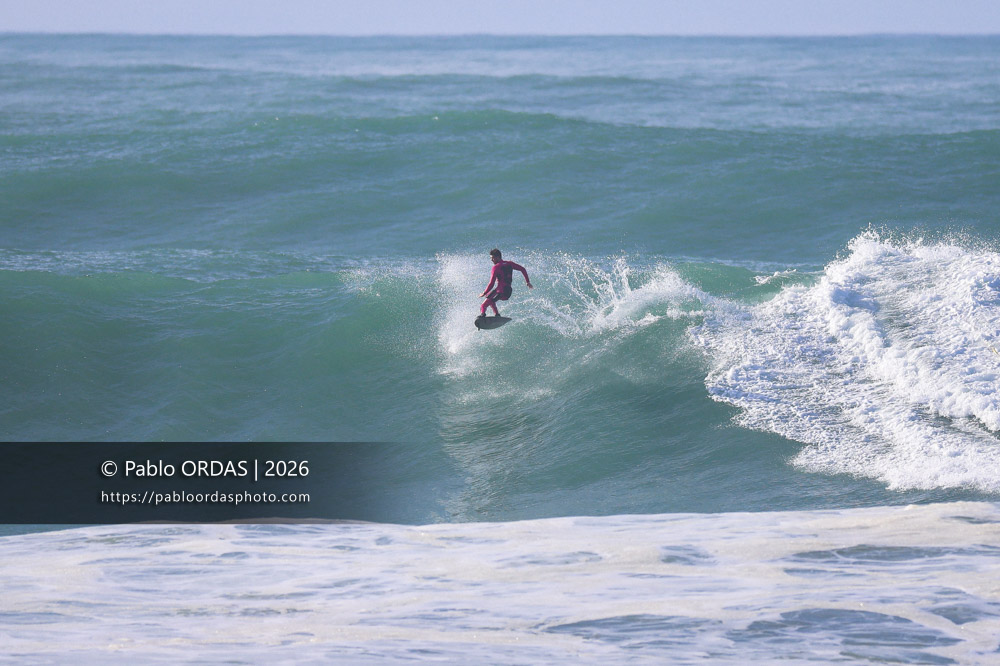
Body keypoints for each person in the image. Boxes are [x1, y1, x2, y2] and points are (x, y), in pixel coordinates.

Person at [479, 248, 532, 317]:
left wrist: (484, 292)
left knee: (483, 305)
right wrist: (527, 282)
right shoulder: (510, 264)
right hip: (508, 292)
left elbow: (491, 283)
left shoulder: (495, 267)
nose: (491, 260)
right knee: (490, 299)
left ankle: (482, 315)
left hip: (500, 291)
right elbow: (523, 269)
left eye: (492, 258)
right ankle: (497, 314)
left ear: (498, 257)